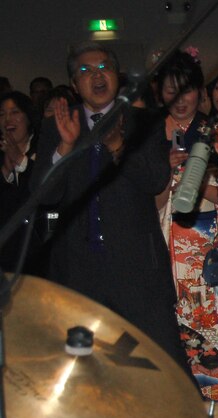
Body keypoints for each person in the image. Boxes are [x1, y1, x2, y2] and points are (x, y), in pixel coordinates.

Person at [31, 43, 186, 368]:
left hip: (137, 274)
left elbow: (156, 179)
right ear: (74, 85)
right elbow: (44, 196)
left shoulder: (143, 121)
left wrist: (117, 146)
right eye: (85, 71)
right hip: (78, 276)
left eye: (103, 67)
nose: (96, 76)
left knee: (159, 374)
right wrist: (65, 146)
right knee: (90, 382)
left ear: (116, 76)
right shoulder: (56, 126)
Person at [154, 51, 218, 403]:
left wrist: (196, 177)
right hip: (166, 252)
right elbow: (140, 203)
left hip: (213, 253)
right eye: (170, 90)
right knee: (175, 343)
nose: (179, 100)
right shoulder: (149, 137)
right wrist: (165, 174)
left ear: (200, 92)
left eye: (187, 90)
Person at [0, 91, 43, 273]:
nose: (8, 119)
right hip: (6, 252)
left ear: (28, 117)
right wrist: (6, 172)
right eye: (2, 114)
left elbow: (49, 191)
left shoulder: (44, 146)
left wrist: (21, 161)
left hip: (40, 247)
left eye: (15, 112)